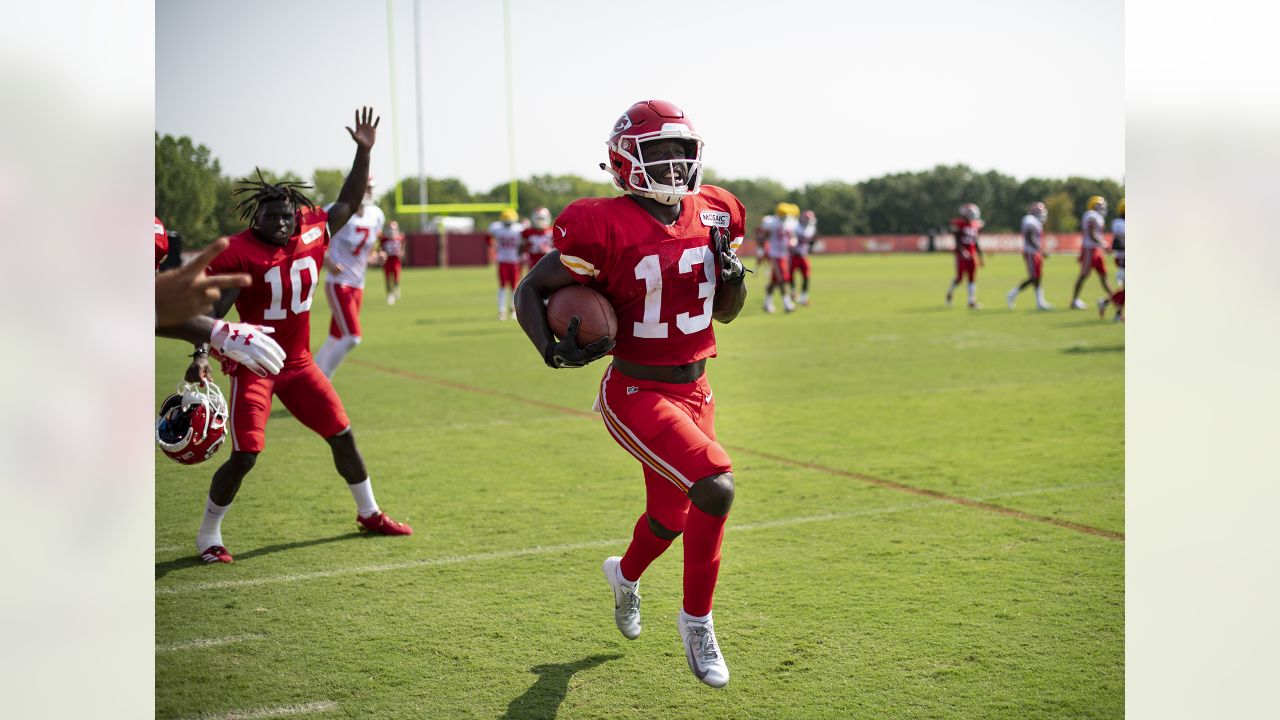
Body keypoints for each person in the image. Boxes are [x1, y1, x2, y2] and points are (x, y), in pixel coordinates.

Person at [514, 99, 748, 688]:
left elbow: (727, 312)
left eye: (680, 152)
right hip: (635, 389)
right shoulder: (599, 223)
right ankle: (697, 623)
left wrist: (734, 276)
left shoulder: (716, 211)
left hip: (697, 388)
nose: (673, 164)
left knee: (671, 514)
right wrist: (550, 347)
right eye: (658, 152)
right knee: (715, 485)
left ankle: (624, 575)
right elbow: (531, 290)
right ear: (625, 160)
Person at [187, 107, 412, 565]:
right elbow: (215, 307)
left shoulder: (311, 230)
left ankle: (368, 513)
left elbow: (348, 201)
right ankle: (208, 534)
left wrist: (363, 152)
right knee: (247, 454)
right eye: (272, 217)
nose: (282, 223)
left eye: (287, 215)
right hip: (254, 365)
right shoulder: (240, 252)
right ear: (257, 217)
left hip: (301, 364)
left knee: (342, 434)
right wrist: (201, 351)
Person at [314, 177, 386, 378]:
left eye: (371, 187)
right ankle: (323, 379)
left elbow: (367, 254)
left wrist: (376, 258)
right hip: (339, 283)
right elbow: (313, 240)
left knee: (336, 336)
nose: (369, 191)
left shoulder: (376, 215)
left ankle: (314, 376)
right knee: (352, 337)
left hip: (358, 284)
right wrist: (327, 261)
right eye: (366, 187)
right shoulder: (335, 211)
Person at [1006, 201, 1053, 310]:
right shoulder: (1029, 220)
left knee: (1038, 277)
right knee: (1033, 277)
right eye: (1040, 212)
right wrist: (1040, 250)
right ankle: (1012, 294)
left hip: (1035, 252)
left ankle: (1040, 302)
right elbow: (1029, 237)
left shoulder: (1036, 222)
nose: (1042, 215)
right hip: (1031, 252)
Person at [1070, 195, 1114, 309]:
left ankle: (1114, 298)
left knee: (1104, 275)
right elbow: (1091, 232)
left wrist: (1101, 245)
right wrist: (1103, 244)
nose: (1102, 208)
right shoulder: (1090, 215)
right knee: (1084, 275)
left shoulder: (1098, 217)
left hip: (1096, 249)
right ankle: (1074, 301)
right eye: (1099, 205)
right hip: (1090, 249)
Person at [756, 202, 799, 313]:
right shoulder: (772, 223)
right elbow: (763, 238)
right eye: (783, 216)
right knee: (782, 279)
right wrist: (761, 249)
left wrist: (793, 241)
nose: (785, 218)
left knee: (774, 281)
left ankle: (767, 303)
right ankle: (787, 304)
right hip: (774, 255)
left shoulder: (790, 223)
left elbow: (793, 236)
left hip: (784, 255)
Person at [945, 202, 985, 308]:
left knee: (972, 277)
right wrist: (962, 251)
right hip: (961, 255)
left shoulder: (975, 224)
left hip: (972, 254)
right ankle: (950, 292)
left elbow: (975, 242)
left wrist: (980, 256)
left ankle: (971, 301)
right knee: (960, 278)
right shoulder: (959, 224)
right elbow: (957, 240)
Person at [488, 208, 524, 320]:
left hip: (508, 260)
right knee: (509, 286)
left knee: (509, 286)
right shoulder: (519, 229)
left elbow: (488, 239)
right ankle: (506, 310)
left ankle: (506, 310)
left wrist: (493, 246)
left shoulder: (496, 228)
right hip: (510, 260)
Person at [1098, 197, 1125, 321]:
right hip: (1123, 258)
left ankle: (1106, 303)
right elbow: (1117, 243)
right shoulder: (1119, 224)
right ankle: (1116, 313)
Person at [791, 209, 817, 306]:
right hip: (793, 255)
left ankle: (804, 297)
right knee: (790, 275)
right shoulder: (795, 227)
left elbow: (810, 242)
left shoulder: (811, 228)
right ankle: (793, 292)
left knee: (806, 276)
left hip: (804, 255)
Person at [380, 220, 406, 305]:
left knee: (396, 278)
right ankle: (390, 294)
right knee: (387, 279)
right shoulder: (383, 239)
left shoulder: (400, 237)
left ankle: (396, 288)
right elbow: (379, 247)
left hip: (396, 261)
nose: (392, 232)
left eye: (393, 230)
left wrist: (402, 252)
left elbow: (403, 246)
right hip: (387, 261)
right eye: (390, 230)